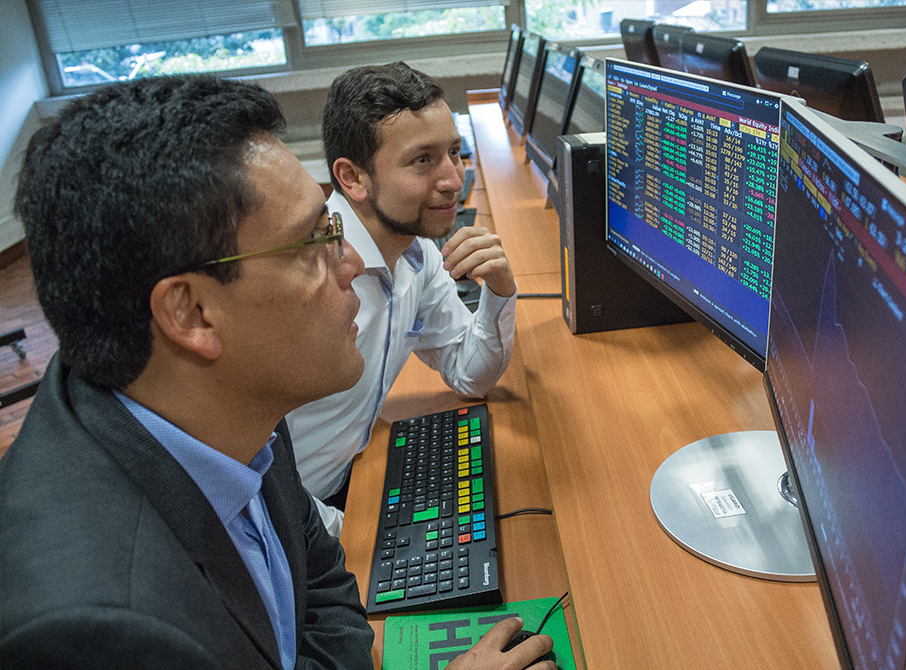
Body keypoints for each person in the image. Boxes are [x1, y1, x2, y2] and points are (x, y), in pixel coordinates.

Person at [0, 75, 552, 670]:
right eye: (311, 242)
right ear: (191, 312)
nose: (351, 264)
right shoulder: (102, 634)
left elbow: (324, 594)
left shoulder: (239, 413)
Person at [287, 63, 518, 535]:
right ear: (353, 178)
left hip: (347, 481)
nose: (453, 179)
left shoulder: (417, 254)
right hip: (298, 521)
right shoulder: (303, 284)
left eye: (453, 152)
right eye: (422, 160)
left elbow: (468, 374)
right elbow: (242, 473)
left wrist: (499, 291)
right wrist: (350, 534)